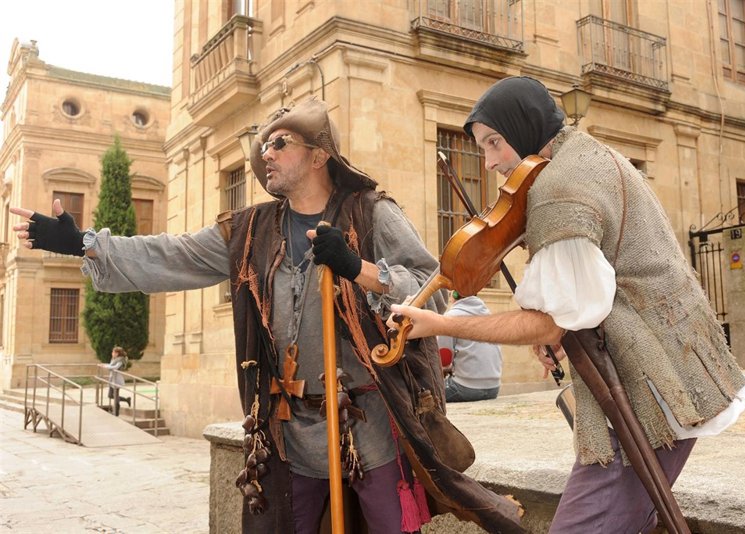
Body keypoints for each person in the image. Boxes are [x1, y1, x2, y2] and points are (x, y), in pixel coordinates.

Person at [12, 99, 526, 533]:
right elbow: (172, 253)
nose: (267, 153)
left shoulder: (371, 212)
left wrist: (360, 269)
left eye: (281, 143)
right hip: (288, 432)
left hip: (370, 425)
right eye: (264, 146)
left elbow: (433, 295)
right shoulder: (250, 230)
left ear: (320, 155)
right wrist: (84, 243)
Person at [390, 76, 745, 533]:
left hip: (649, 394)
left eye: (495, 143)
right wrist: (564, 326)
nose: (490, 162)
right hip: (677, 369)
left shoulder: (558, 189)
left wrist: (438, 323)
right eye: (483, 148)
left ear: (524, 127)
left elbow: (548, 324)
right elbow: (603, 285)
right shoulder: (594, 156)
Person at [438, 291, 502, 402]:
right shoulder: (489, 314)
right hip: (493, 388)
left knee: (424, 394)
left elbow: (444, 359)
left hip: (465, 388)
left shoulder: (451, 317)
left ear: (455, 294)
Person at [101, 346, 131, 416]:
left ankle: (116, 412)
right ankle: (126, 400)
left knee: (116, 396)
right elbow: (111, 365)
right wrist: (104, 365)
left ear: (117, 353)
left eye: (113, 352)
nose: (112, 353)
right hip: (112, 379)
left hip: (117, 380)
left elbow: (115, 367)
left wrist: (106, 366)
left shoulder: (120, 360)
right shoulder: (114, 359)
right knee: (110, 395)